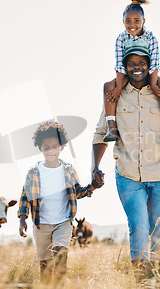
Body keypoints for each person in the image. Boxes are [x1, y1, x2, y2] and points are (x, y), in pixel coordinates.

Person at [92, 40, 160, 283]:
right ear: (124, 66)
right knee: (139, 228)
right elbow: (100, 133)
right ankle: (141, 283)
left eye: (142, 63)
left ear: (149, 66)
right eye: (131, 63)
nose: (137, 67)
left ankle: (155, 280)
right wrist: (95, 167)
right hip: (128, 175)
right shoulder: (114, 97)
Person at [18, 122, 104, 284]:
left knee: (60, 253)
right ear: (40, 148)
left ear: (62, 147)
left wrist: (93, 186)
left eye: (55, 147)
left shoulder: (69, 170)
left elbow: (77, 191)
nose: (51, 151)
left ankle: (60, 284)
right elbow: (25, 197)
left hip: (63, 223)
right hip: (40, 225)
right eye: (46, 147)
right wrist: (23, 219)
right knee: (44, 265)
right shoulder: (33, 172)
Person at [103, 0, 160, 144]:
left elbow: (155, 63)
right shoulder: (121, 38)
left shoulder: (151, 38)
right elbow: (119, 64)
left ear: (144, 21)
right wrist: (118, 88)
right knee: (108, 86)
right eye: (128, 21)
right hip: (128, 72)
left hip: (150, 71)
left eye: (136, 20)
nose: (132, 25)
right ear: (123, 21)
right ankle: (111, 126)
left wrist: (153, 84)